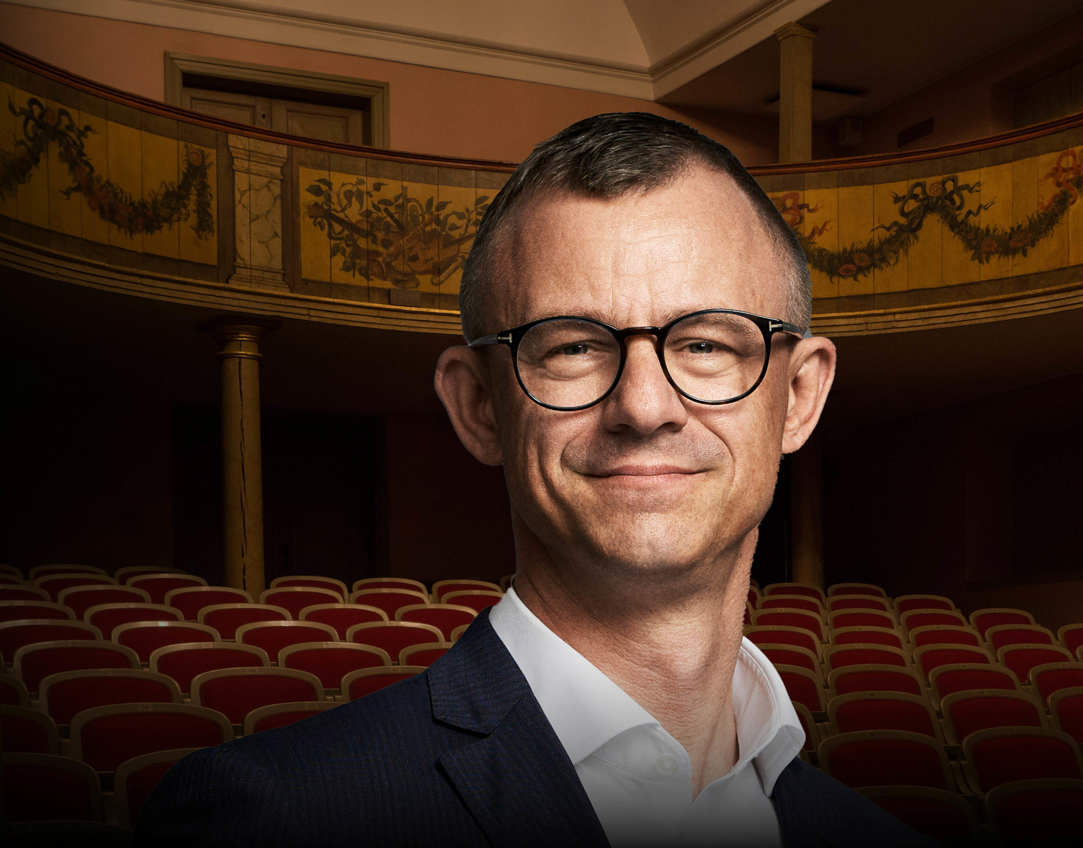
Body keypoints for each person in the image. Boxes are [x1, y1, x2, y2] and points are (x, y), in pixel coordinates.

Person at [136, 113, 927, 847]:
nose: (643, 406)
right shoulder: (274, 816)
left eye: (706, 345)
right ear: (479, 407)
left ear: (798, 397)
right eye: (572, 347)